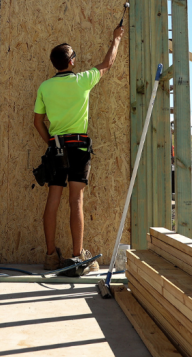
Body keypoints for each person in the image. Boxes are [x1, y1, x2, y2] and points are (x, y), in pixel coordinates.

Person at [34, 23, 124, 272]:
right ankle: (78, 258)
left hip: (57, 149)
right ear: (71, 62)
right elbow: (107, 64)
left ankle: (50, 255)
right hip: (78, 148)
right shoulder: (82, 81)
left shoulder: (44, 87)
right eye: (75, 56)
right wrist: (115, 40)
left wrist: (51, 143)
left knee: (53, 200)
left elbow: (37, 122)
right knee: (76, 201)